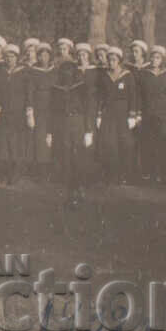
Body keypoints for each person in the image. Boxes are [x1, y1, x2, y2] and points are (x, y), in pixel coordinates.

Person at [51, 44, 99, 208]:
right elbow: (54, 111)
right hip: (63, 125)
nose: (67, 73)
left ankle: (81, 187)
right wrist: (51, 132)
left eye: (70, 69)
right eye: (64, 70)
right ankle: (69, 190)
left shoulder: (81, 87)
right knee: (66, 156)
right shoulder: (56, 89)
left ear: (74, 70)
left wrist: (88, 130)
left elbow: (87, 109)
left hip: (78, 123)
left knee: (79, 156)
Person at [97, 46, 139, 185]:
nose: (111, 62)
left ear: (119, 61)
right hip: (109, 114)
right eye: (110, 60)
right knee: (110, 144)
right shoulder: (104, 76)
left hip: (123, 113)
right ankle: (111, 174)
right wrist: (99, 114)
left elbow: (133, 96)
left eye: (114, 60)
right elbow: (101, 97)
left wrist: (132, 115)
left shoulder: (127, 75)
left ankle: (125, 174)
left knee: (125, 144)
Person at [0, 44, 32, 185]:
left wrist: (29, 111)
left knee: (16, 143)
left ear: (17, 58)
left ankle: (16, 172)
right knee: (4, 143)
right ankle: (5, 172)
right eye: (7, 57)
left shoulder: (24, 72)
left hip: (19, 113)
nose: (9, 59)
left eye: (12, 56)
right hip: (4, 112)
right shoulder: (1, 72)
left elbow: (29, 92)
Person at [139, 45, 166, 185]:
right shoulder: (145, 74)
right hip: (149, 112)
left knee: (164, 143)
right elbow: (140, 94)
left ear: (162, 60)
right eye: (153, 57)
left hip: (164, 113)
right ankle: (153, 175)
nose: (155, 60)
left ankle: (165, 175)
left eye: (158, 58)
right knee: (151, 144)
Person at [27, 42, 56, 181]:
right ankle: (41, 169)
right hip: (39, 108)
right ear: (38, 57)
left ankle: (52, 168)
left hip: (53, 106)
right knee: (40, 138)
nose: (44, 58)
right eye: (41, 55)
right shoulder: (33, 71)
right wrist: (30, 110)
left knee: (52, 136)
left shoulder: (54, 70)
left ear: (50, 56)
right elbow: (30, 91)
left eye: (46, 55)